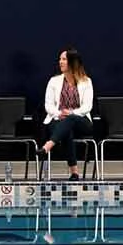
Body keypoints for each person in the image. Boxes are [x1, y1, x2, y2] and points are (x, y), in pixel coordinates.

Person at [42, 47, 94, 181]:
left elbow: (88, 106)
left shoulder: (86, 81)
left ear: (72, 62)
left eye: (64, 59)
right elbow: (48, 105)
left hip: (81, 121)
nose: (60, 62)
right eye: (60, 59)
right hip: (58, 119)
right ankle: (74, 173)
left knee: (70, 120)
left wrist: (71, 113)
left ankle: (49, 145)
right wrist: (59, 114)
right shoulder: (54, 81)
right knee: (66, 130)